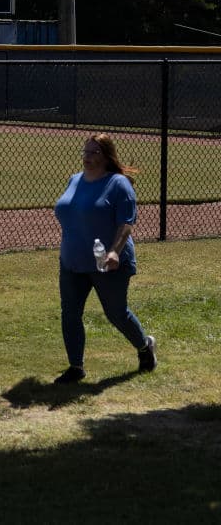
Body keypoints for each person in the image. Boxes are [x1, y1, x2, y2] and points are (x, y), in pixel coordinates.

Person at [52, 134, 157, 384]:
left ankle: (144, 348)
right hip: (72, 260)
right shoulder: (74, 180)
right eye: (85, 152)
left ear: (107, 156)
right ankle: (76, 366)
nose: (87, 157)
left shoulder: (118, 184)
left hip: (107, 263)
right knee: (70, 313)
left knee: (116, 313)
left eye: (94, 153)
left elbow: (126, 224)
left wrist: (114, 251)